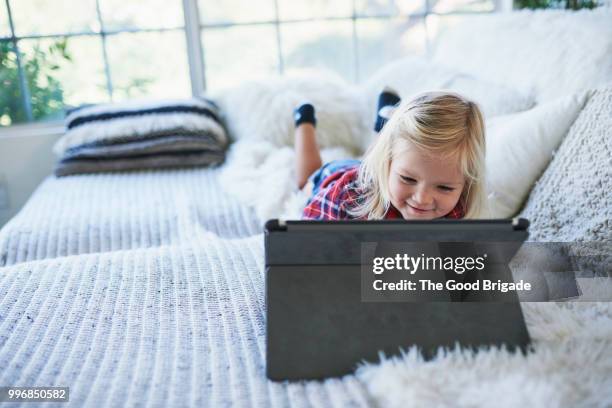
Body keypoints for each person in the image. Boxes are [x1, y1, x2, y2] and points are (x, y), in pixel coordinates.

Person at [294, 88, 487, 220]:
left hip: (384, 168)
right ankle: (303, 119)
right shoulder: (344, 197)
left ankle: (385, 121)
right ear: (386, 164)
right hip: (335, 175)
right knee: (305, 180)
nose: (422, 199)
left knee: (388, 154)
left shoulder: (458, 209)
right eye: (408, 179)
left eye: (444, 188)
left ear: (467, 184)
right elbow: (308, 238)